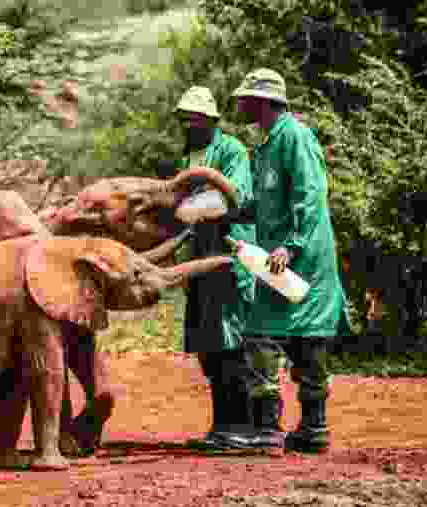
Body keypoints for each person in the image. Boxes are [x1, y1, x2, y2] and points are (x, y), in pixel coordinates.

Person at [230, 68, 352, 453]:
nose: (239, 104)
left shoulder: (295, 137)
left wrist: (292, 246)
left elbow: (310, 195)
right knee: (281, 335)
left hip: (303, 259)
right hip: (278, 258)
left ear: (263, 102)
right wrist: (230, 214)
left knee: (286, 337)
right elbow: (268, 205)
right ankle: (298, 429)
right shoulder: (266, 145)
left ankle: (285, 430)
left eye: (244, 98)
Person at [167, 86, 259, 451]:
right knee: (208, 345)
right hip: (199, 258)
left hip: (228, 256)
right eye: (183, 117)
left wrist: (187, 211)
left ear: (212, 119)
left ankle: (240, 427)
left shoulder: (231, 150)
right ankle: (223, 426)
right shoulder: (188, 155)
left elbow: (234, 195)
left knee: (230, 342)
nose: (188, 123)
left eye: (195, 117)